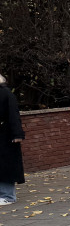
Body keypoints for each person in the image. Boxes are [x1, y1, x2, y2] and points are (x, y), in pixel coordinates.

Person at [0, 73, 24, 206]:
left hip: (5, 135)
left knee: (6, 165)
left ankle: (8, 196)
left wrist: (17, 134)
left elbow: (13, 114)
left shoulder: (6, 93)